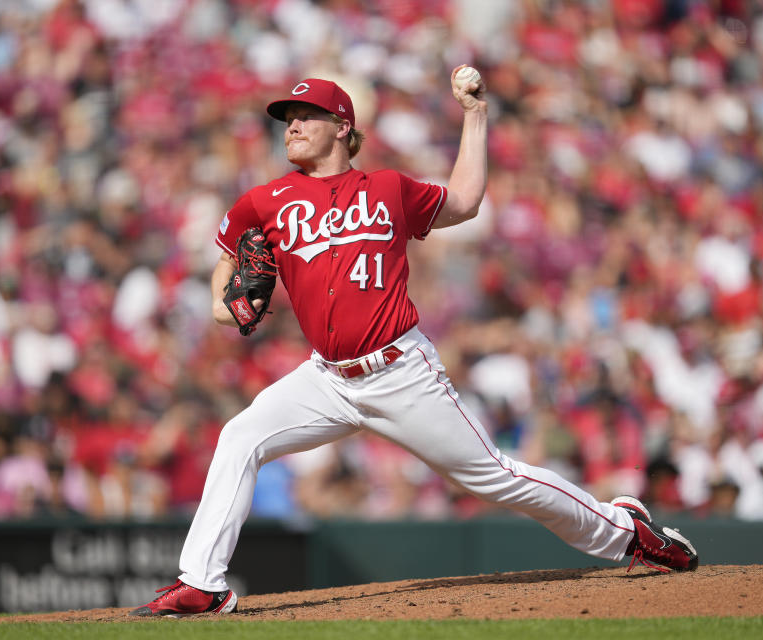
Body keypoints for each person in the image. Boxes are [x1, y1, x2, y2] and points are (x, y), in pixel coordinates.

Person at [130, 68, 698, 617]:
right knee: (240, 437)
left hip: (401, 372)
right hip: (326, 379)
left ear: (343, 128)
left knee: (494, 477)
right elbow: (228, 253)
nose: (293, 126)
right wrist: (216, 304)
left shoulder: (387, 188)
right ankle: (202, 584)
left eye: (309, 115)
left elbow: (466, 200)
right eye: (289, 117)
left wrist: (474, 117)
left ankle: (627, 532)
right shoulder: (265, 199)